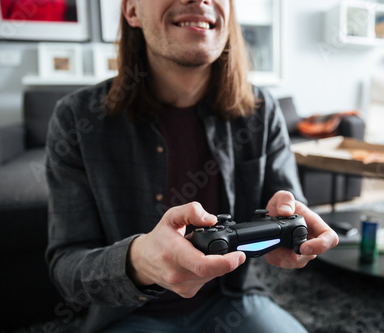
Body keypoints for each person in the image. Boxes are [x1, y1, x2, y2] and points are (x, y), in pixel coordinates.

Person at [45, 0, 339, 332]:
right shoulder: (76, 119)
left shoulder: (262, 110)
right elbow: (65, 267)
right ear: (131, 11)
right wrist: (139, 261)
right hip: (128, 313)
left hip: (231, 298)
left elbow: (291, 208)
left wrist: (294, 229)